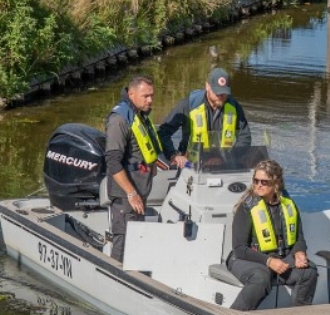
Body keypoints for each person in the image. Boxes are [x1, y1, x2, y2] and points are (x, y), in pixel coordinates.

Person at [104, 75, 188, 263]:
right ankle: (116, 276)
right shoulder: (119, 120)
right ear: (131, 94)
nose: (150, 100)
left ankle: (134, 273)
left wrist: (153, 164)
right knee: (124, 242)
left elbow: (142, 150)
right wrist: (131, 193)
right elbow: (113, 161)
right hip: (127, 195)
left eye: (152, 95)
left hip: (140, 191)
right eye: (145, 96)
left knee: (136, 239)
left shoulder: (140, 116)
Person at [227, 158, 317, 310]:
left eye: (264, 182)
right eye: (255, 181)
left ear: (276, 183)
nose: (258, 185)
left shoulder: (288, 204)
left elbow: (299, 238)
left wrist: (299, 253)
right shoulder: (246, 207)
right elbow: (239, 249)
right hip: (247, 258)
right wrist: (269, 261)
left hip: (280, 257)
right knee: (261, 278)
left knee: (309, 272)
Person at [158, 66, 252, 167]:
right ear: (207, 86)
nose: (220, 96)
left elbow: (245, 137)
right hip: (191, 163)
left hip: (222, 163)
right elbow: (163, 132)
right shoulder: (188, 105)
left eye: (224, 93)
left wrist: (229, 156)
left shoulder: (234, 107)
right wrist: (174, 155)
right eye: (217, 92)